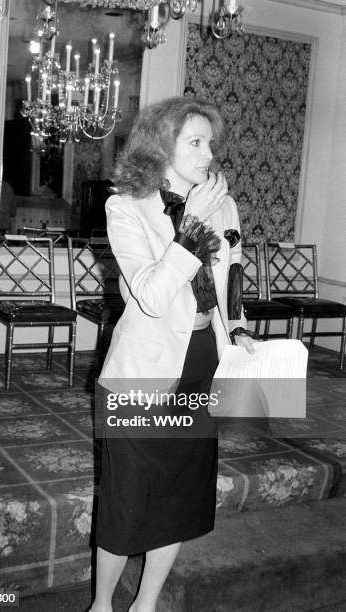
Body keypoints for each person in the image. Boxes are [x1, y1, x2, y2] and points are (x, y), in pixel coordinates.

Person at [90, 96, 256, 612]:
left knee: (179, 493)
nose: (210, 153)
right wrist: (194, 227)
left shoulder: (222, 202)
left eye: (211, 142)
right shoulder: (125, 206)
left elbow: (232, 278)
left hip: (204, 361)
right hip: (143, 368)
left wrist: (242, 329)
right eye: (195, 142)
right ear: (162, 146)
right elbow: (152, 295)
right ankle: (100, 606)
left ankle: (146, 604)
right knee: (129, 494)